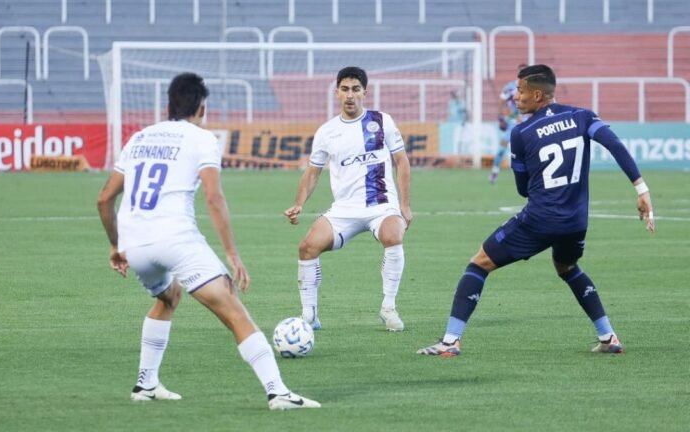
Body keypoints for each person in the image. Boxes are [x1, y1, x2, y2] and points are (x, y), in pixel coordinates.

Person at [97, 72, 320, 410]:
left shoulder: (138, 138)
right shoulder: (202, 138)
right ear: (202, 107)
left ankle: (146, 384)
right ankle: (278, 393)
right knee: (233, 309)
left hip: (136, 247)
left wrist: (116, 246)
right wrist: (232, 254)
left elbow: (104, 200)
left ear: (168, 104)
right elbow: (214, 198)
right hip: (176, 240)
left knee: (168, 297)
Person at [417, 64, 655, 356]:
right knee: (567, 267)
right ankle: (608, 337)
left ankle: (450, 341)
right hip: (576, 222)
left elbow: (523, 189)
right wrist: (641, 189)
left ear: (538, 95)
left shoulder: (522, 132)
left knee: (479, 263)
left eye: (520, 91)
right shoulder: (583, 116)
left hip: (539, 220)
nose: (516, 97)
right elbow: (614, 144)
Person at [283, 66, 412, 332]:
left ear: (365, 92)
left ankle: (388, 307)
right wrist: (299, 203)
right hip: (344, 210)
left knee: (393, 235)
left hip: (381, 205)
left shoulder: (382, 121)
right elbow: (312, 173)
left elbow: (402, 161)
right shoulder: (326, 131)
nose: (350, 95)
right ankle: (309, 315)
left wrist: (405, 205)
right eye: (344, 89)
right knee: (307, 247)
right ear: (337, 93)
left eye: (355, 89)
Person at [490, 64, 528, 184]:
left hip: (528, 123)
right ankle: (495, 171)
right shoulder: (510, 87)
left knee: (531, 149)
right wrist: (501, 117)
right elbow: (502, 101)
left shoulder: (533, 88)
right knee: (502, 148)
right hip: (513, 123)